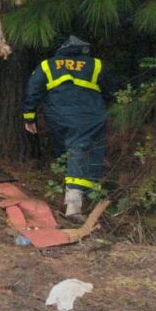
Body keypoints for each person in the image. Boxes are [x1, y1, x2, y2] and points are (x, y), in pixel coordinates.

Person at [22, 35, 115, 221]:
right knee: (85, 151)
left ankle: (76, 193)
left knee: (67, 150)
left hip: (57, 116)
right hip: (90, 117)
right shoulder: (95, 64)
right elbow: (112, 90)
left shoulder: (48, 65)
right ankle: (74, 204)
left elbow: (33, 90)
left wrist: (29, 118)